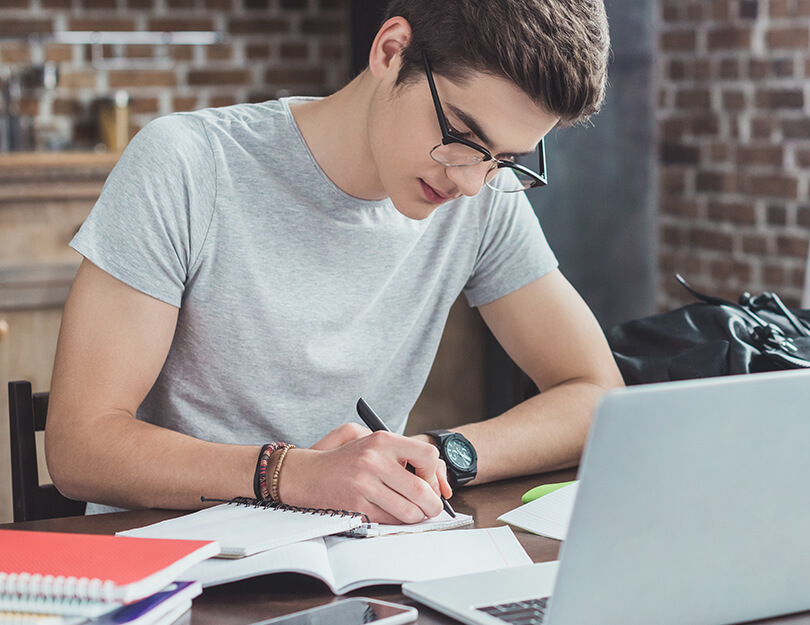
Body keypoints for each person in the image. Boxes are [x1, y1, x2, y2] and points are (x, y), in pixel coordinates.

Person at [44, 0, 623, 525]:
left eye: (503, 158)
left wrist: (439, 455)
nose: (472, 182)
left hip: (357, 566)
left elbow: (594, 390)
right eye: (465, 136)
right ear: (391, 51)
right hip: (171, 569)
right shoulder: (189, 164)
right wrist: (297, 475)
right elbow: (80, 446)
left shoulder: (480, 195)